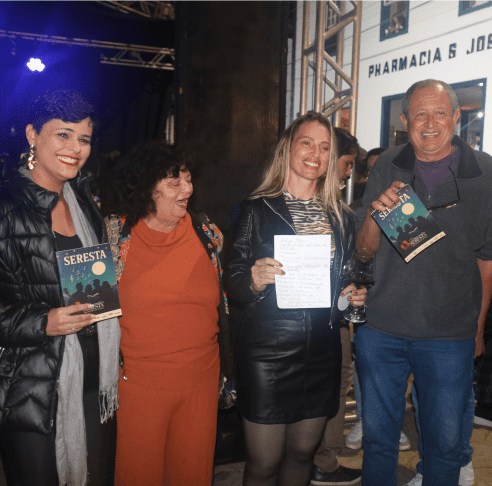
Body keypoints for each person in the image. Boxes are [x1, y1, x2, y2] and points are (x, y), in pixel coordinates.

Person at [0, 90, 119, 485]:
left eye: (84, 139)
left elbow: (89, 284)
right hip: (27, 385)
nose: (75, 149)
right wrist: (42, 322)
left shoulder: (86, 206)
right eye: (63, 135)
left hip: (94, 377)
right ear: (32, 135)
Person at [353, 79, 492, 485]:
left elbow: (489, 258)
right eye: (419, 114)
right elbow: (364, 251)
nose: (430, 123)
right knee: (378, 441)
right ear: (405, 121)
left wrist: (477, 328)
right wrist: (374, 214)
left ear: (457, 117)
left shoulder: (487, 173)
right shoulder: (388, 164)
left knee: (443, 447)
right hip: (381, 330)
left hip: (448, 335)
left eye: (440, 113)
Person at [224, 112, 366, 486]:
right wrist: (252, 280)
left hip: (322, 351)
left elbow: (345, 282)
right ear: (288, 148)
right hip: (267, 353)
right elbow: (232, 280)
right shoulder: (255, 208)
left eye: (324, 147)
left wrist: (353, 296)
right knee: (264, 461)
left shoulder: (341, 217)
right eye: (307, 143)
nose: (315, 154)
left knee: (302, 454)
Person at [103, 140, 234, 485]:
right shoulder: (111, 236)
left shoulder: (207, 233)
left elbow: (228, 299)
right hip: (137, 388)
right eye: (175, 183)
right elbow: (86, 310)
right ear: (147, 188)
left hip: (201, 382)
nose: (187, 189)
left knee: (192, 475)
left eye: (188, 180)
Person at [311, 125, 364, 486]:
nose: (349, 173)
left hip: (336, 313)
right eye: (347, 164)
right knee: (331, 380)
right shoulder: (313, 208)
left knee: (338, 377)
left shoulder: (340, 212)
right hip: (314, 319)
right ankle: (322, 462)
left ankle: (321, 458)